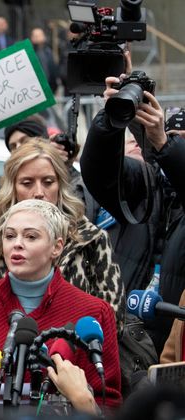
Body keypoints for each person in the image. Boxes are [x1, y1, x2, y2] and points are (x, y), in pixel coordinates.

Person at [0, 199, 122, 408]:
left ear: (56, 247)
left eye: (31, 236)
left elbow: (108, 403)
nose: (17, 243)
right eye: (10, 236)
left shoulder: (94, 312)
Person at [0, 140, 125, 329]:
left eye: (48, 182)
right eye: (27, 183)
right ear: (13, 188)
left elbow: (112, 320)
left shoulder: (91, 240)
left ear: (60, 185)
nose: (39, 193)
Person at [82, 77, 185, 355]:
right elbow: (100, 172)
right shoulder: (148, 184)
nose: (178, 147)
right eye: (178, 139)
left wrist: (165, 144)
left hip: (175, 344)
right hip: (125, 339)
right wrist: (111, 117)